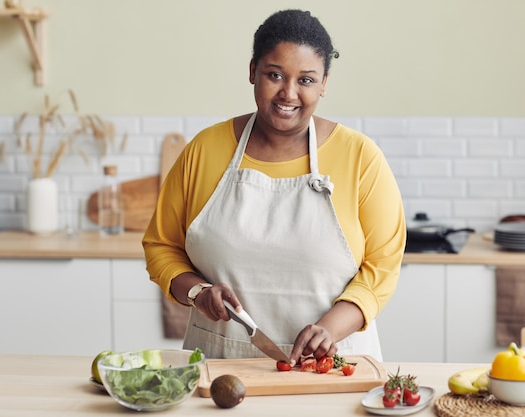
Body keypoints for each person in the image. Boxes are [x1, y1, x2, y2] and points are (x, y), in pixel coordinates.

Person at [142, 9, 406, 364]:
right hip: (221, 364)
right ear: (252, 71)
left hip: (333, 366)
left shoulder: (360, 157)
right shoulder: (204, 150)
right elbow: (161, 246)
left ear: (324, 83)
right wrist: (197, 293)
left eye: (307, 80)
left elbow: (383, 266)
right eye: (275, 75)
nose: (289, 93)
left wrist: (330, 328)